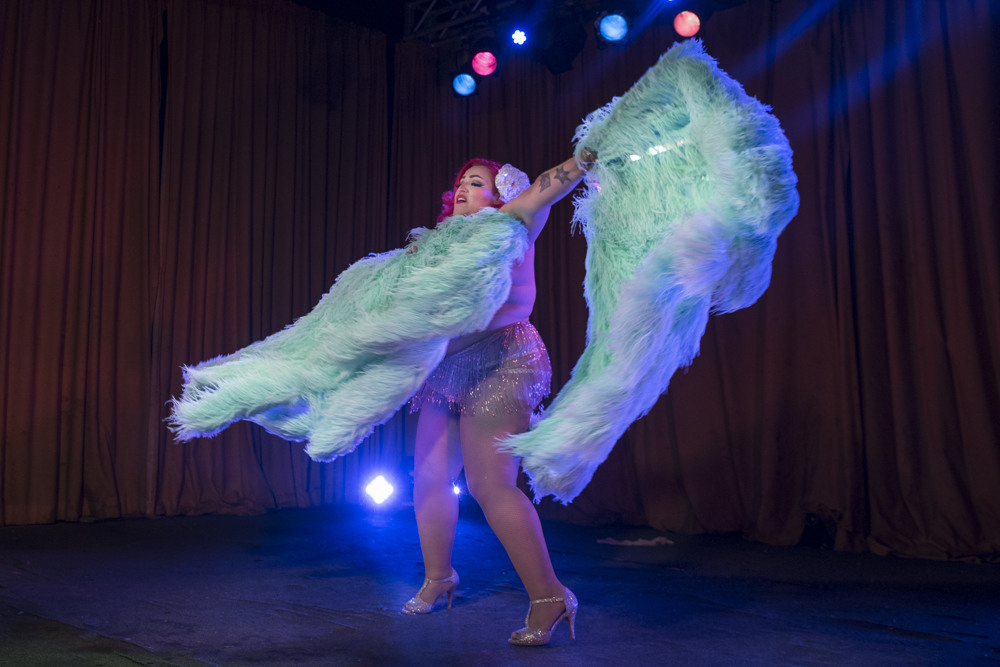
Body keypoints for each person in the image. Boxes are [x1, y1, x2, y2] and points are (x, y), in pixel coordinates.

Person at [402, 156, 590, 646]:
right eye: (460, 181)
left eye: (477, 182)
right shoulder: (438, 243)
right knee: (428, 478)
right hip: (447, 368)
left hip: (505, 361)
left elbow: (548, 189)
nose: (463, 187)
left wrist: (587, 155)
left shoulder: (513, 221)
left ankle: (550, 596)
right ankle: (439, 576)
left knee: (490, 485)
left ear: (501, 193)